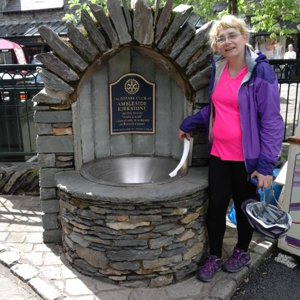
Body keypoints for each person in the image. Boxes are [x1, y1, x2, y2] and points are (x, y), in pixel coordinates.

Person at [178, 15, 284, 282]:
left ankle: (241, 251)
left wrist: (265, 165)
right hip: (219, 154)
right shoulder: (219, 67)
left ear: (244, 37)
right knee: (215, 205)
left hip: (248, 159)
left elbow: (271, 121)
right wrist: (189, 123)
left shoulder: (260, 72)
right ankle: (214, 254)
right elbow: (215, 110)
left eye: (232, 35)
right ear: (217, 45)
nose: (227, 42)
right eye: (221, 38)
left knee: (246, 205)